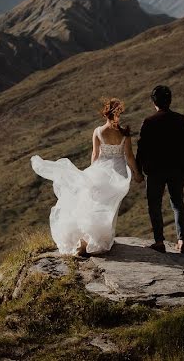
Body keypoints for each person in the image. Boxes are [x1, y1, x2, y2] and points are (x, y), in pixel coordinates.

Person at [31, 98, 142, 256]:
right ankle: (101, 237)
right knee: (110, 206)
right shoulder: (124, 133)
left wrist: (91, 173)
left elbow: (96, 155)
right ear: (119, 113)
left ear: (105, 113)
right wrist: (137, 173)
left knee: (94, 204)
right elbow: (129, 156)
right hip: (118, 173)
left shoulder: (98, 131)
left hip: (100, 170)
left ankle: (87, 238)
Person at [135, 85, 184, 254]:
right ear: (170, 100)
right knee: (177, 204)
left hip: (155, 171)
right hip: (177, 170)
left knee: (154, 204)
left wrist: (138, 170)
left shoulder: (149, 121)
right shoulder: (181, 119)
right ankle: (181, 240)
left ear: (154, 102)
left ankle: (159, 241)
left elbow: (142, 149)